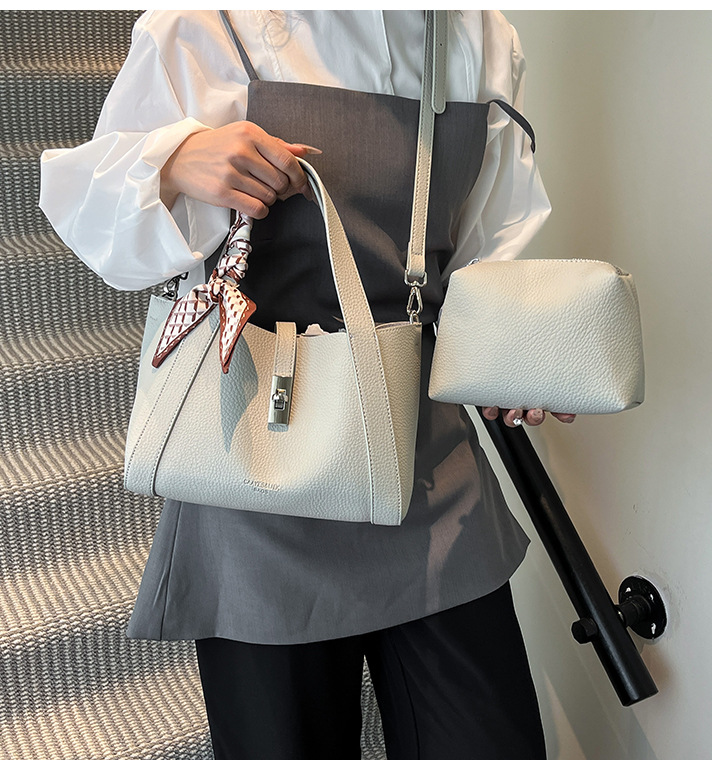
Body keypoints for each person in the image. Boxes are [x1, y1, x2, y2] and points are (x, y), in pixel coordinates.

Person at [40, 10, 574, 760]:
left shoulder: (480, 34)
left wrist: (509, 352)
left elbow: (491, 246)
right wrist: (173, 162)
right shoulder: (204, 23)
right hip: (255, 466)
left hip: (425, 465)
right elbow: (84, 206)